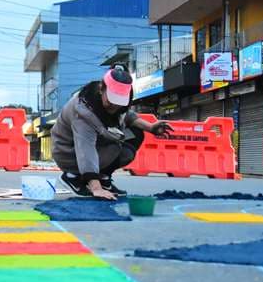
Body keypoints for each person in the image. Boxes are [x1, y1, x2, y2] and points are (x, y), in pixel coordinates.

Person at [51, 66, 173, 200]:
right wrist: (95, 188)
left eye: (119, 103)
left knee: (135, 133)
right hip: (69, 153)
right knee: (117, 146)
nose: (114, 107)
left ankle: (104, 177)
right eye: (111, 101)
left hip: (95, 146)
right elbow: (86, 150)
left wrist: (151, 127)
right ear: (101, 89)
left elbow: (126, 115)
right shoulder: (84, 112)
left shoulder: (117, 107)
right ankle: (73, 176)